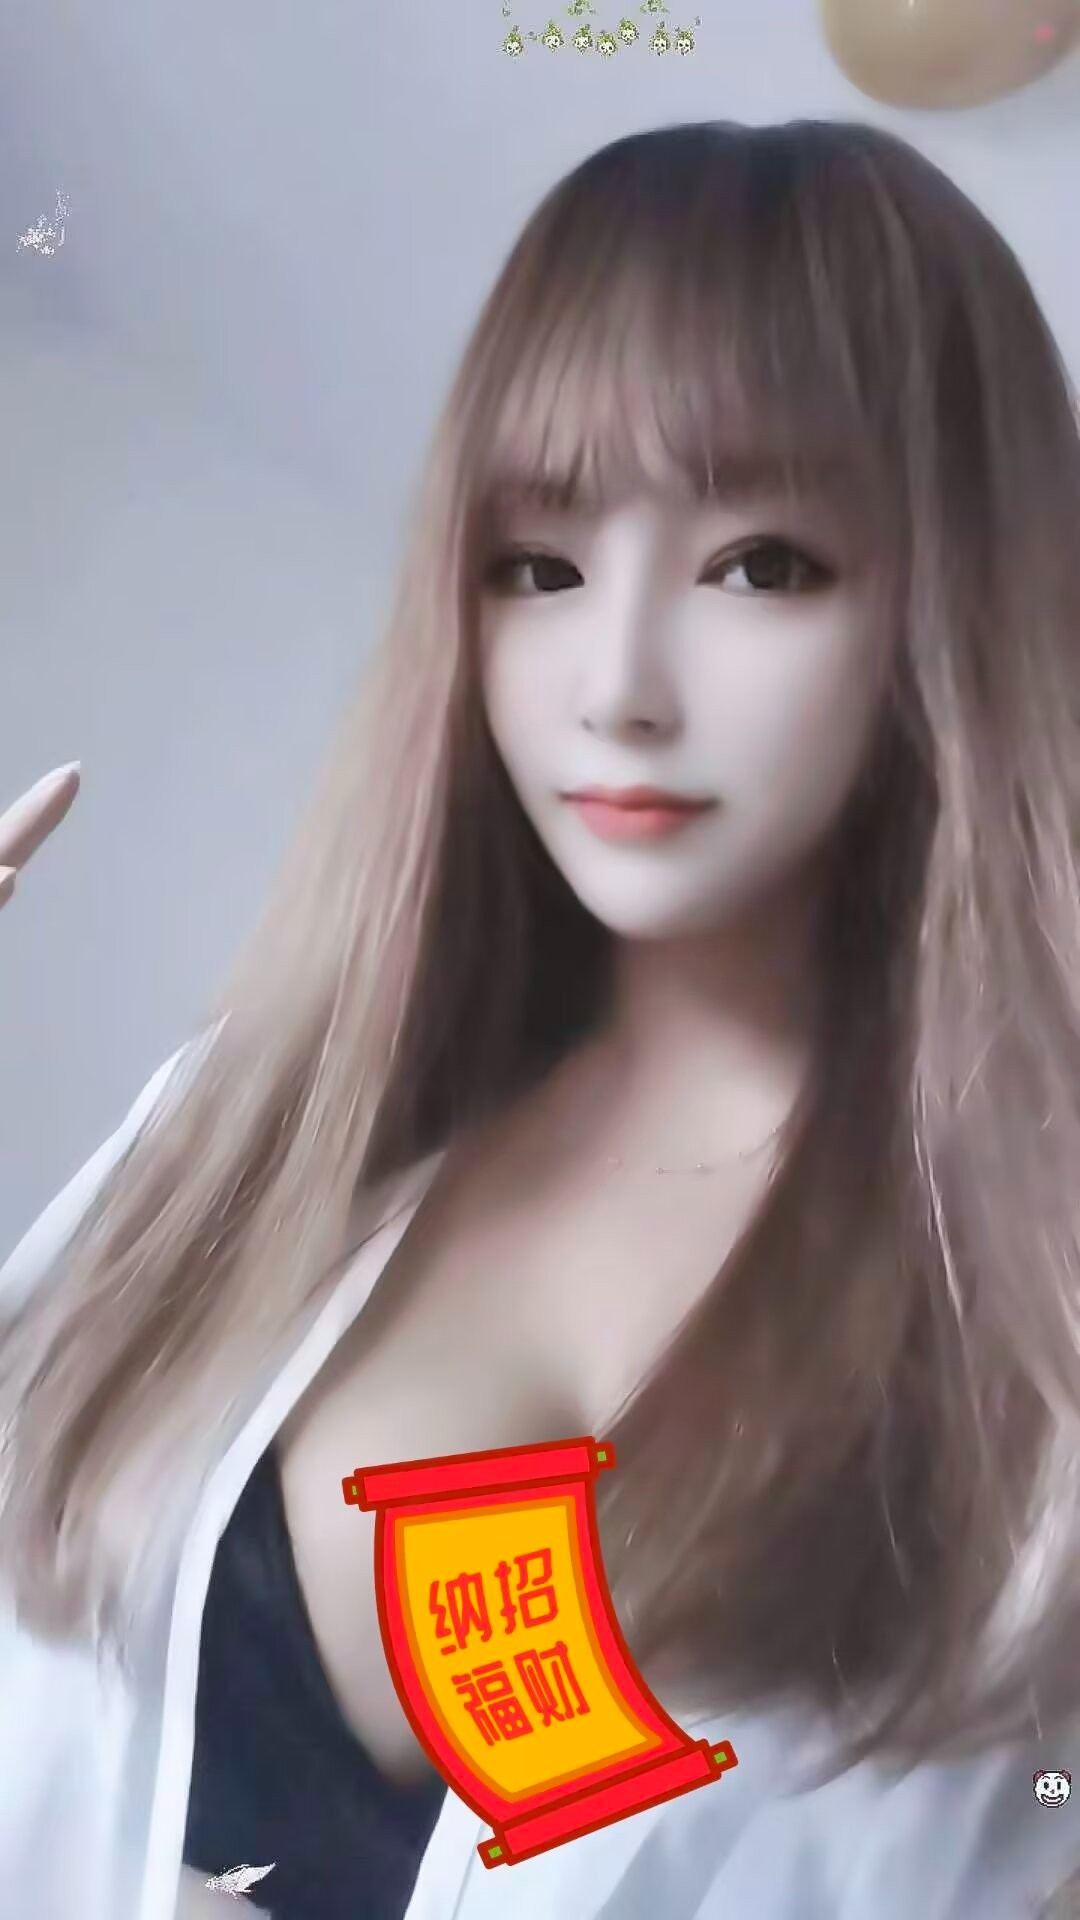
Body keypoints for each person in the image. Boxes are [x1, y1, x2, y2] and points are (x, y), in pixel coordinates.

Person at [1, 118, 1079, 1920]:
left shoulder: (1028, 1348)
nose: (618, 686)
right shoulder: (244, 1137)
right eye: (540, 563)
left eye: (763, 565)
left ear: (954, 606)